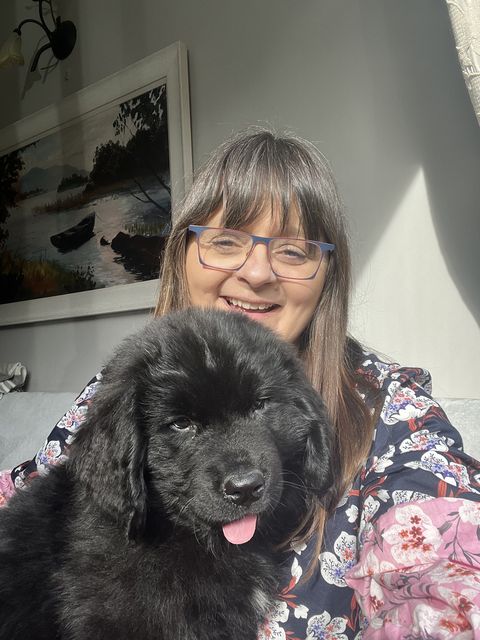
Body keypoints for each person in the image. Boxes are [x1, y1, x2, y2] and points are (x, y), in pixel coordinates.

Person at [1, 128, 480, 639]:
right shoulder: (129, 382)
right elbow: (37, 490)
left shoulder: (395, 416)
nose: (257, 273)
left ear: (328, 275)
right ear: (181, 256)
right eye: (226, 242)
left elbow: (447, 575)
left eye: (294, 252)